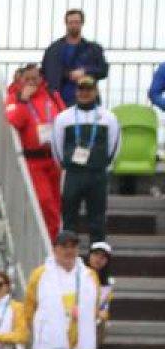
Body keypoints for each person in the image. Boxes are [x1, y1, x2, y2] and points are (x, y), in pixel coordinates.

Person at [51, 76, 121, 242]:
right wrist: (66, 164)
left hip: (97, 174)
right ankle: (68, 261)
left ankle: (98, 264)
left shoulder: (109, 117)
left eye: (89, 89)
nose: (84, 93)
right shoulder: (63, 117)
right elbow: (56, 147)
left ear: (95, 91)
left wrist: (102, 164)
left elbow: (114, 146)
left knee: (97, 220)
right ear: (76, 91)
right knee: (69, 219)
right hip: (73, 174)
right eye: (81, 89)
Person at [4, 63, 66, 237]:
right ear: (20, 80)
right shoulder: (14, 98)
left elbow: (64, 119)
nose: (32, 82)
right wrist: (23, 100)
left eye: (35, 78)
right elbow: (14, 120)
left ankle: (53, 239)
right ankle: (48, 241)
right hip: (33, 161)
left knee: (55, 202)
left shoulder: (52, 96)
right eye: (27, 78)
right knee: (44, 201)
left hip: (53, 158)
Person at [41, 9, 109, 107]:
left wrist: (85, 71)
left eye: (76, 22)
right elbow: (46, 72)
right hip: (59, 102)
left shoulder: (93, 49)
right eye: (71, 22)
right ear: (66, 23)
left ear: (82, 23)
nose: (73, 25)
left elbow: (103, 70)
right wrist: (68, 74)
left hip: (87, 101)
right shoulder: (53, 50)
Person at [86, 242, 114, 345]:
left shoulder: (109, 283)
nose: (98, 259)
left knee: (102, 324)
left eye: (103, 257)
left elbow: (104, 306)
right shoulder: (79, 274)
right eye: (95, 255)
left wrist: (101, 315)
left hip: (95, 318)